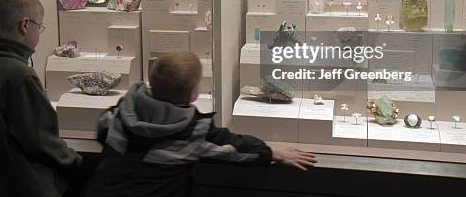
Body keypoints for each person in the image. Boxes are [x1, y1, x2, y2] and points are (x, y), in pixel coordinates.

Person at [81, 51, 316, 197]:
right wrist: (272, 152)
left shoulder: (122, 112)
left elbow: (103, 129)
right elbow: (233, 147)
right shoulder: (192, 131)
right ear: (193, 96)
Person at [0, 0, 83, 197]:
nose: (39, 32)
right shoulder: (20, 75)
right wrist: (75, 161)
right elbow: (40, 139)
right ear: (25, 25)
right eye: (39, 26)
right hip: (27, 186)